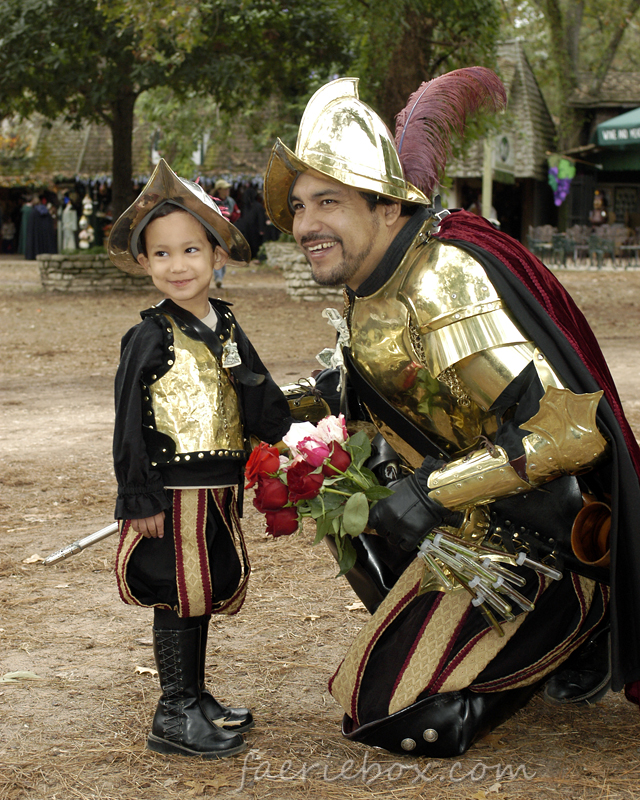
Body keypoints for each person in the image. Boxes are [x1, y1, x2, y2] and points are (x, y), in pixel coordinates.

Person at [263, 72, 640, 757]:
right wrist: (263, 409)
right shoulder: (375, 279)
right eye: (297, 207)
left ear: (387, 209)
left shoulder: (443, 277)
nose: (305, 224)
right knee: (344, 486)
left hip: (545, 542)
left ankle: (584, 623)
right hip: (471, 530)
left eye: (327, 201)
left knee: (396, 720)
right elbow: (373, 391)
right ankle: (488, 645)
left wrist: (430, 490)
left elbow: (569, 431)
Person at [107, 159, 292, 759]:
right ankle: (173, 711)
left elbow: (256, 390)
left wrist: (295, 428)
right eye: (161, 254)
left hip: (218, 486)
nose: (177, 265)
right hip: (173, 492)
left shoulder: (226, 323)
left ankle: (196, 694)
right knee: (177, 591)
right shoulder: (150, 336)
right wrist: (138, 497)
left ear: (217, 255)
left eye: (190, 250)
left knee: (203, 588)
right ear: (144, 263)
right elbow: (129, 423)